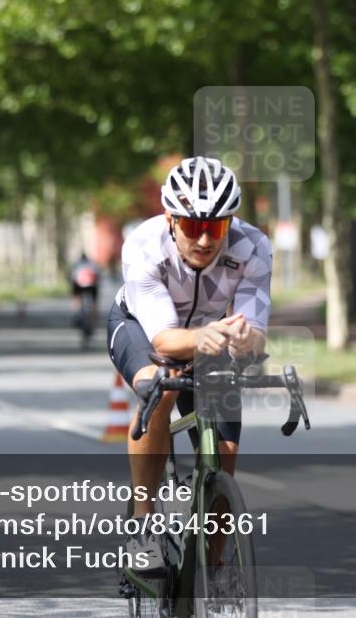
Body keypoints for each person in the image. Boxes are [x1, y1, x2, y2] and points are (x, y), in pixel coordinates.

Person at [106, 156, 272, 575]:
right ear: (171, 219)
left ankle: (214, 569)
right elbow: (164, 339)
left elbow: (254, 331)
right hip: (143, 327)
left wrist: (247, 339)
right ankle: (144, 527)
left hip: (208, 335)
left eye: (215, 227)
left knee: (225, 451)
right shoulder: (145, 245)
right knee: (156, 386)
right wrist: (205, 337)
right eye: (193, 227)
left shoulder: (252, 248)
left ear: (229, 223)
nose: (204, 240)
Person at [70, 252, 100, 331]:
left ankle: (76, 313)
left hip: (79, 285)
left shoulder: (77, 264)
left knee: (76, 296)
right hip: (92, 286)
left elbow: (73, 277)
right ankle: (93, 320)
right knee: (94, 302)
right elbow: (98, 276)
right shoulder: (92, 264)